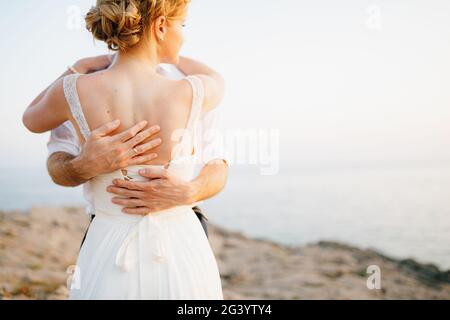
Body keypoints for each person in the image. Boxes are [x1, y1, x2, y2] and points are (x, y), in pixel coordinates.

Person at [23, 0, 226, 299]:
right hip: (180, 243)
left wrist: (76, 67)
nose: (183, 35)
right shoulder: (191, 91)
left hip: (107, 242)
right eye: (181, 26)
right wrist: (172, 56)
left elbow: (31, 119)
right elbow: (218, 79)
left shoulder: (74, 89)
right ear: (160, 26)